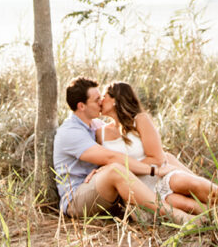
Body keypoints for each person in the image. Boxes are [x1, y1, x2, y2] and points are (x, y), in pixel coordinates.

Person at [53, 76, 192, 224]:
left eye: (101, 97)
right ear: (81, 106)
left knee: (166, 157)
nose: (101, 102)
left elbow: (116, 154)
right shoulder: (70, 132)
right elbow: (110, 158)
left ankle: (208, 197)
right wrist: (154, 170)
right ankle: (177, 216)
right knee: (115, 170)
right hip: (77, 198)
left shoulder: (96, 125)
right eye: (96, 100)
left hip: (100, 186)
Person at [98, 81, 218, 215]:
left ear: (115, 100)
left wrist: (126, 168)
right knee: (184, 204)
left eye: (103, 96)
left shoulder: (140, 120)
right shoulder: (100, 133)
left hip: (160, 174)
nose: (100, 101)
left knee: (188, 183)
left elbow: (157, 158)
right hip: (141, 188)